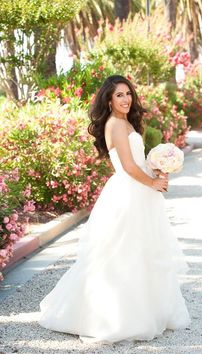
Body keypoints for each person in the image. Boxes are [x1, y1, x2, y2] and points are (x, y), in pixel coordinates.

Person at [39, 75, 190, 344]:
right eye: (119, 95)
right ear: (108, 99)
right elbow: (129, 168)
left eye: (128, 93)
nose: (126, 99)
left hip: (138, 191)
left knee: (141, 252)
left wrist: (155, 168)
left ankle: (145, 312)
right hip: (127, 194)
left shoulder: (125, 123)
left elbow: (138, 163)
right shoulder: (116, 125)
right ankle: (117, 318)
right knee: (122, 253)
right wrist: (153, 182)